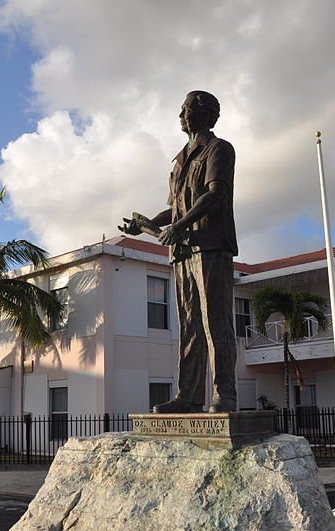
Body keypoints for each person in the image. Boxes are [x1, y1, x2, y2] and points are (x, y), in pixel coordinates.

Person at [120, 90, 238, 413]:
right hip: (183, 252)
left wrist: (182, 224)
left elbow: (215, 195)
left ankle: (224, 394)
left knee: (217, 322)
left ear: (205, 114)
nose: (180, 114)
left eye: (185, 109)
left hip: (211, 246)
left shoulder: (219, 149)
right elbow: (173, 210)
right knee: (189, 326)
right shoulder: (180, 160)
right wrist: (144, 223)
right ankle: (189, 395)